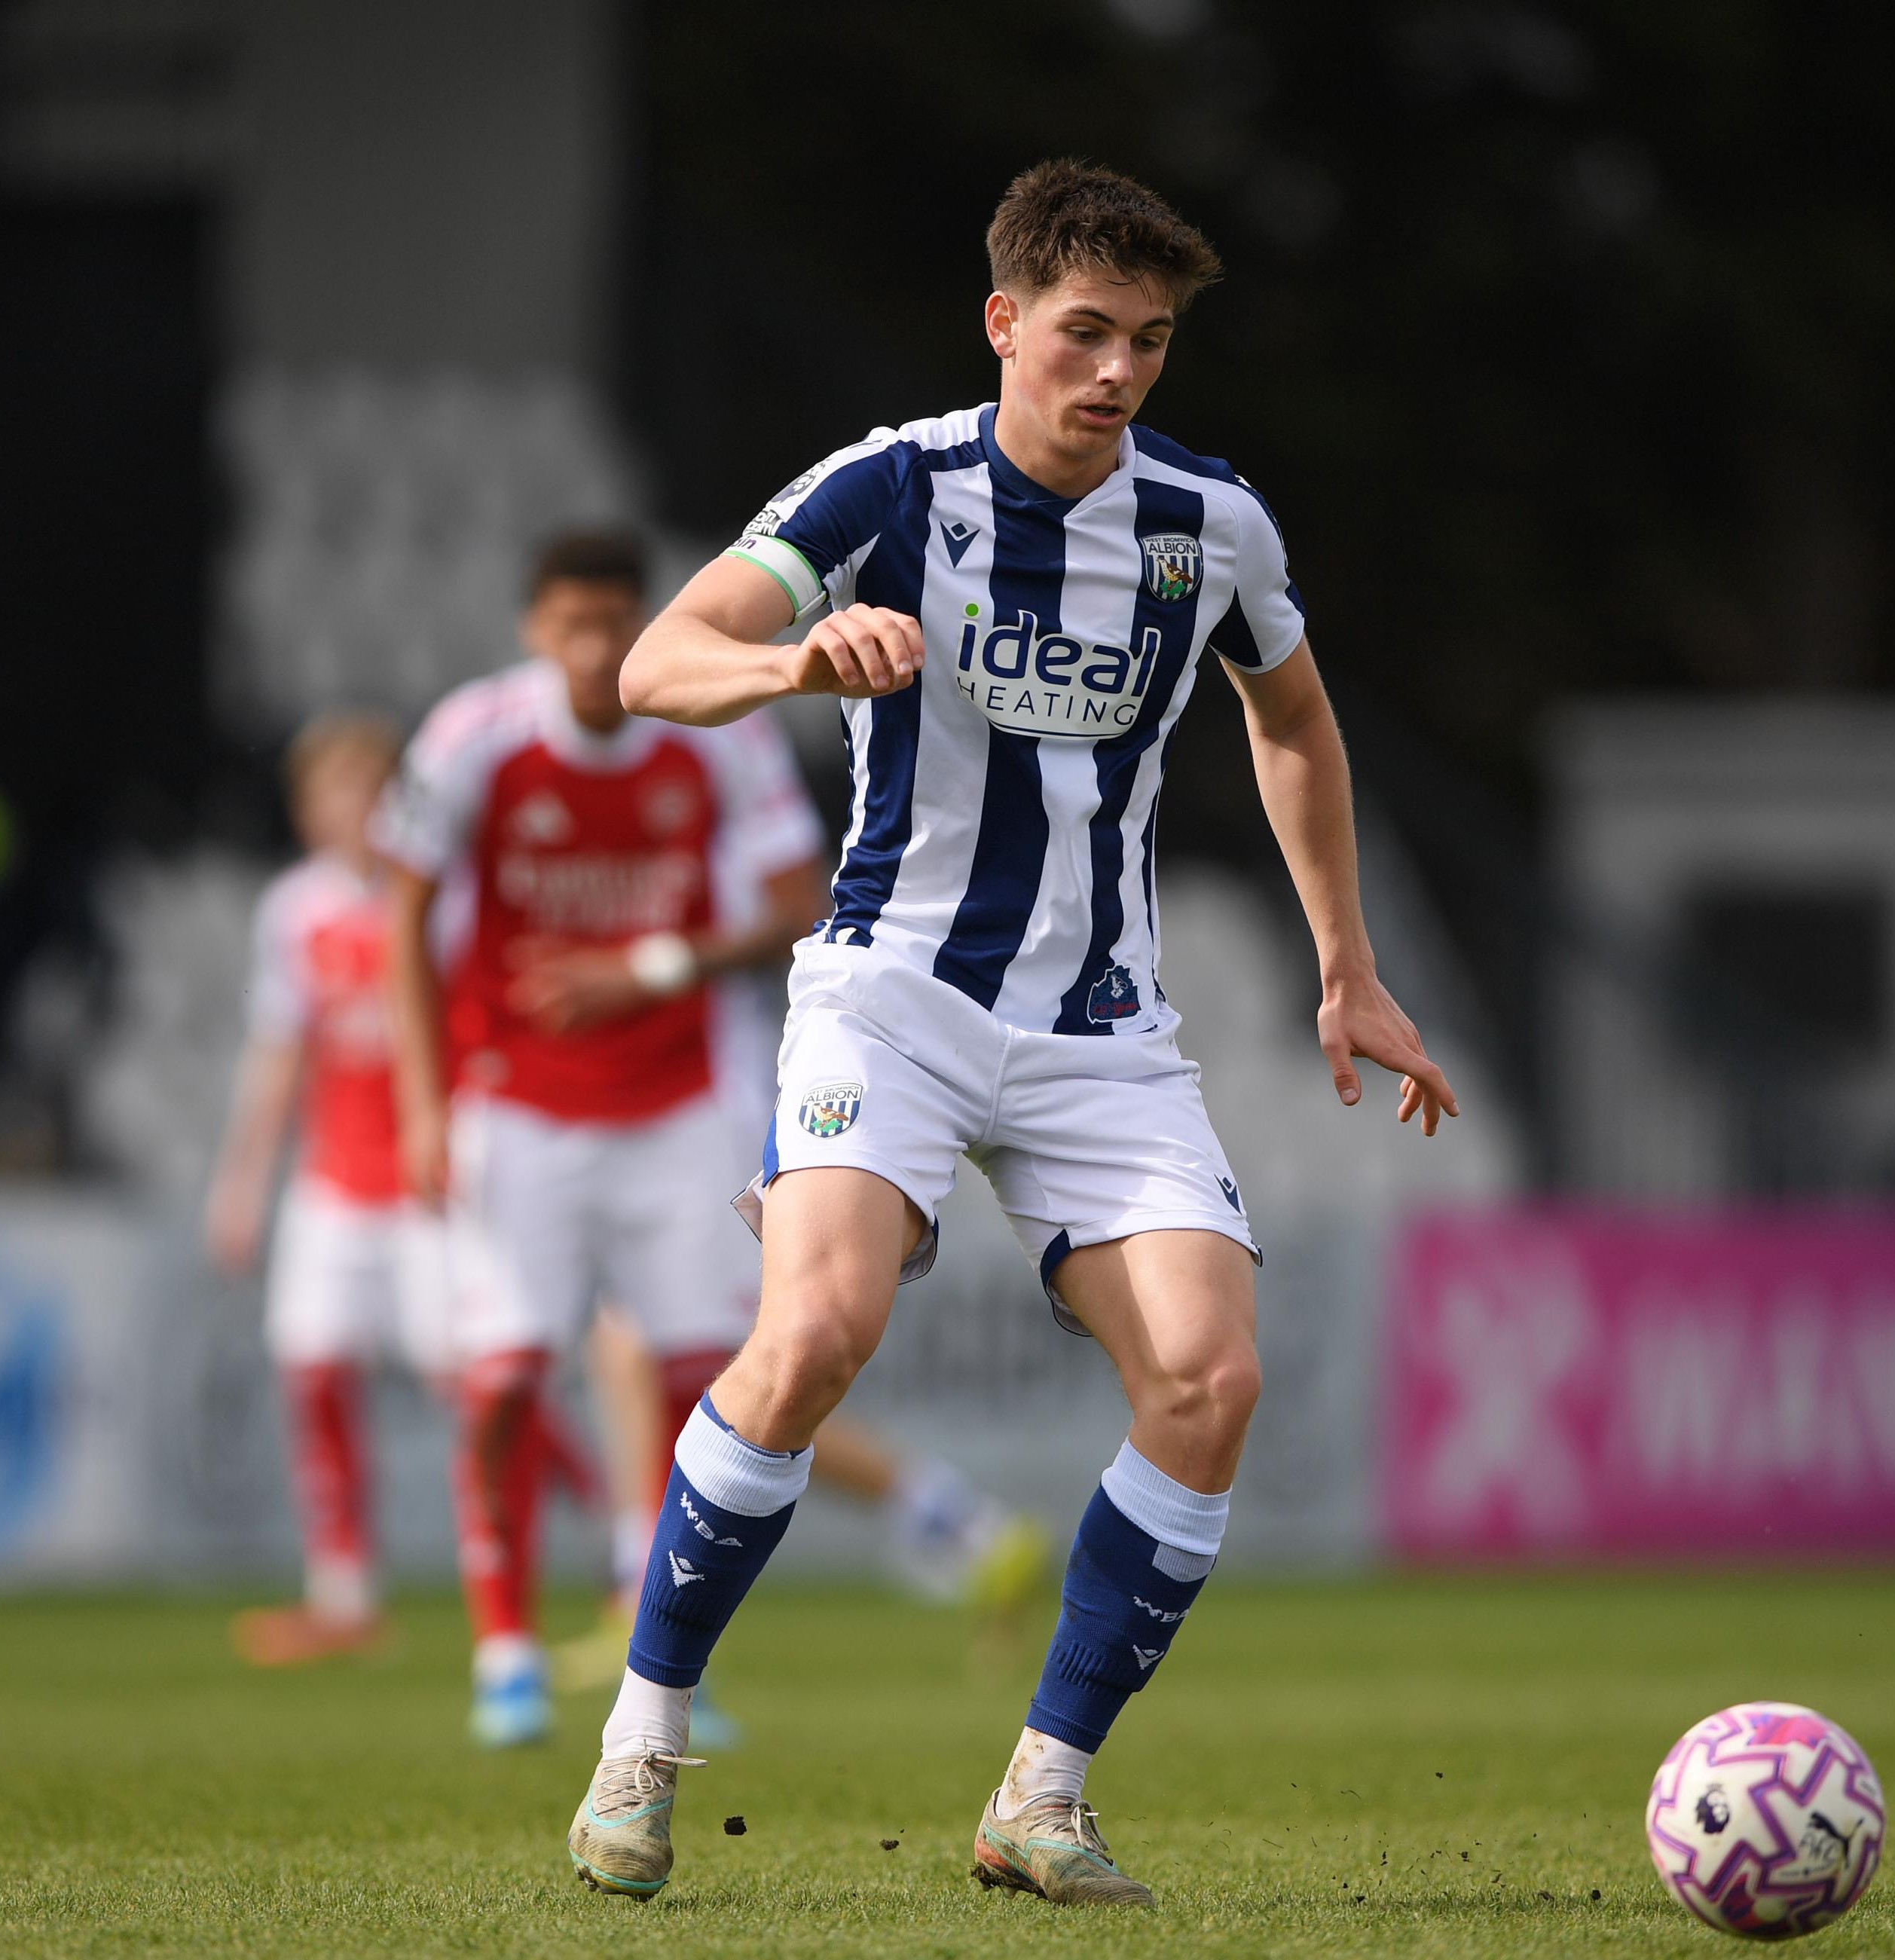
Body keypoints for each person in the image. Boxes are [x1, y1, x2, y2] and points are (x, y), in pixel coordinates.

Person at [564, 159, 1457, 1908]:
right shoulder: (892, 486)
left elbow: (1294, 726)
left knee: (1210, 1380)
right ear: (1004, 324)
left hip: (1099, 1028)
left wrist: (1344, 964)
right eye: (1082, 333)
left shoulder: (1213, 524)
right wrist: (795, 662)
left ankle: (1038, 1795)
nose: (1115, 372)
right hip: (888, 990)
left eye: (1146, 341)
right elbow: (653, 664)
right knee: (814, 1325)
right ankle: (642, 1739)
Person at [375, 530, 833, 1747]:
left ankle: (668, 1667)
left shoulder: (716, 730)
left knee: (701, 1394)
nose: (593, 650)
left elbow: (802, 899)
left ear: (643, 625)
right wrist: (423, 1102)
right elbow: (401, 916)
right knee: (508, 1377)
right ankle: (505, 1647)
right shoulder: (471, 737)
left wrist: (652, 965)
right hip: (517, 1106)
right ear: (534, 629)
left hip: (675, 1107)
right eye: (571, 627)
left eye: (614, 626)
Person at [204, 711, 599, 1664]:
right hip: (333, 1185)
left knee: (474, 1382)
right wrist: (243, 1181)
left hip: (433, 1180)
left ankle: (622, 1534)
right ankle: (343, 1597)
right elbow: (280, 1051)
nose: (351, 811)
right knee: (314, 1367)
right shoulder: (295, 909)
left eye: (370, 791)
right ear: (306, 812)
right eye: (331, 793)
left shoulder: (444, 903)